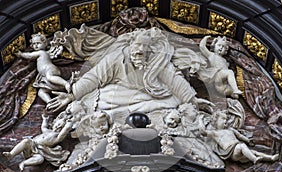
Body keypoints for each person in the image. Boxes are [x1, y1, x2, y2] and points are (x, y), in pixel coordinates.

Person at [46, 28, 214, 120]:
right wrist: (72, 96)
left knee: (173, 101)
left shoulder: (157, 62)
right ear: (130, 44)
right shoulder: (115, 58)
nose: (140, 50)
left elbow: (175, 81)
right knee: (101, 100)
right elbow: (94, 77)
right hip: (119, 94)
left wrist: (191, 101)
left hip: (153, 96)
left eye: (144, 47)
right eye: (137, 46)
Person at [199, 110, 279, 164]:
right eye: (223, 119)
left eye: (226, 119)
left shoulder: (230, 130)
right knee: (242, 146)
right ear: (215, 121)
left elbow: (240, 136)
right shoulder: (214, 133)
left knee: (254, 152)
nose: (225, 121)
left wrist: (247, 140)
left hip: (239, 151)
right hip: (231, 152)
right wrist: (200, 119)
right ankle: (254, 159)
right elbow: (203, 132)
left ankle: (270, 158)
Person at [3, 114, 71, 171]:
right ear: (55, 122)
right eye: (58, 124)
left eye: (61, 127)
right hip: (31, 145)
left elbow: (64, 132)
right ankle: (11, 154)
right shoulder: (47, 131)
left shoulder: (57, 137)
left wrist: (68, 125)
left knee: (40, 159)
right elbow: (43, 126)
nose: (58, 126)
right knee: (26, 141)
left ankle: (24, 163)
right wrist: (45, 119)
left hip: (38, 152)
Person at [16, 33, 71, 103]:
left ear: (45, 43)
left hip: (50, 69)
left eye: (38, 43)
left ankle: (65, 83)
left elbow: (29, 56)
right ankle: (50, 102)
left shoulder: (41, 52)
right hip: (43, 75)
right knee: (41, 92)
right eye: (34, 44)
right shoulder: (44, 53)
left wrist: (21, 54)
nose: (35, 45)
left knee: (50, 77)